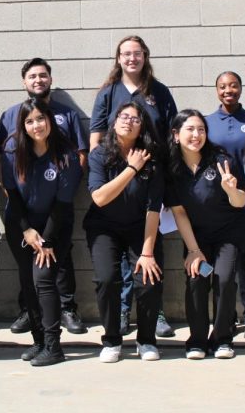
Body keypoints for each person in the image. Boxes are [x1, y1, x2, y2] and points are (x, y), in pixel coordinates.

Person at [89, 35, 176, 338]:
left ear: (145, 56)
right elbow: (97, 133)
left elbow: (170, 133)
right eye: (126, 54)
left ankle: (156, 313)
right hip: (116, 176)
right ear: (118, 58)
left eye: (137, 53)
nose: (132, 59)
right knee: (117, 261)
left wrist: (163, 176)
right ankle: (123, 310)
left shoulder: (159, 92)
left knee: (150, 248)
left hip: (150, 177)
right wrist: (99, 166)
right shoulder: (108, 92)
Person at [0, 57, 88, 336]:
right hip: (23, 207)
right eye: (32, 76)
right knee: (27, 264)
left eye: (43, 75)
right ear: (24, 82)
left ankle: (67, 309)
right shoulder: (11, 114)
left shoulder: (66, 114)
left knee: (60, 257)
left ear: (50, 79)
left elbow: (81, 153)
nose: (38, 80)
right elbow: (2, 156)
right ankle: (29, 311)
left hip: (59, 202)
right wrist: (8, 187)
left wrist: (68, 185)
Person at [1, 99, 82, 366]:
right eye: (29, 121)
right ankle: (38, 342)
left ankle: (53, 345)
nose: (36, 125)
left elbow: (62, 204)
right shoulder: (13, 150)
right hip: (21, 225)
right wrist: (26, 230)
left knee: (44, 278)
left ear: (50, 120)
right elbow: (11, 193)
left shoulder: (66, 154)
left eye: (40, 119)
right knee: (28, 281)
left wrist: (45, 240)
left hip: (54, 226)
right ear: (23, 125)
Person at [86, 102, 164, 363]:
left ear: (143, 127)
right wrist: (132, 169)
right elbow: (99, 197)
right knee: (107, 280)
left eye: (135, 118)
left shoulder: (152, 157)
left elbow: (154, 208)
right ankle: (111, 339)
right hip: (103, 226)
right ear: (115, 120)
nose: (128, 121)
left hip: (140, 227)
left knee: (148, 279)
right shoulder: (100, 154)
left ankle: (146, 339)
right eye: (123, 116)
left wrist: (147, 251)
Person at [167, 110, 245, 360]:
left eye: (201, 129)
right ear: (176, 135)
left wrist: (231, 189)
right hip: (197, 236)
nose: (196, 135)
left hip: (228, 233)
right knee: (196, 280)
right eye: (190, 129)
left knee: (223, 279)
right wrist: (193, 250)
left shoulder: (220, 158)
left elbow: (240, 201)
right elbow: (179, 212)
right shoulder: (171, 167)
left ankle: (223, 339)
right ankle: (197, 340)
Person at [205, 71, 245, 340]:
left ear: (241, 88)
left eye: (233, 85)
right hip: (216, 200)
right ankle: (225, 318)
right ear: (216, 90)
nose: (228, 90)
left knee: (242, 253)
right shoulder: (207, 123)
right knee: (220, 258)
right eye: (223, 86)